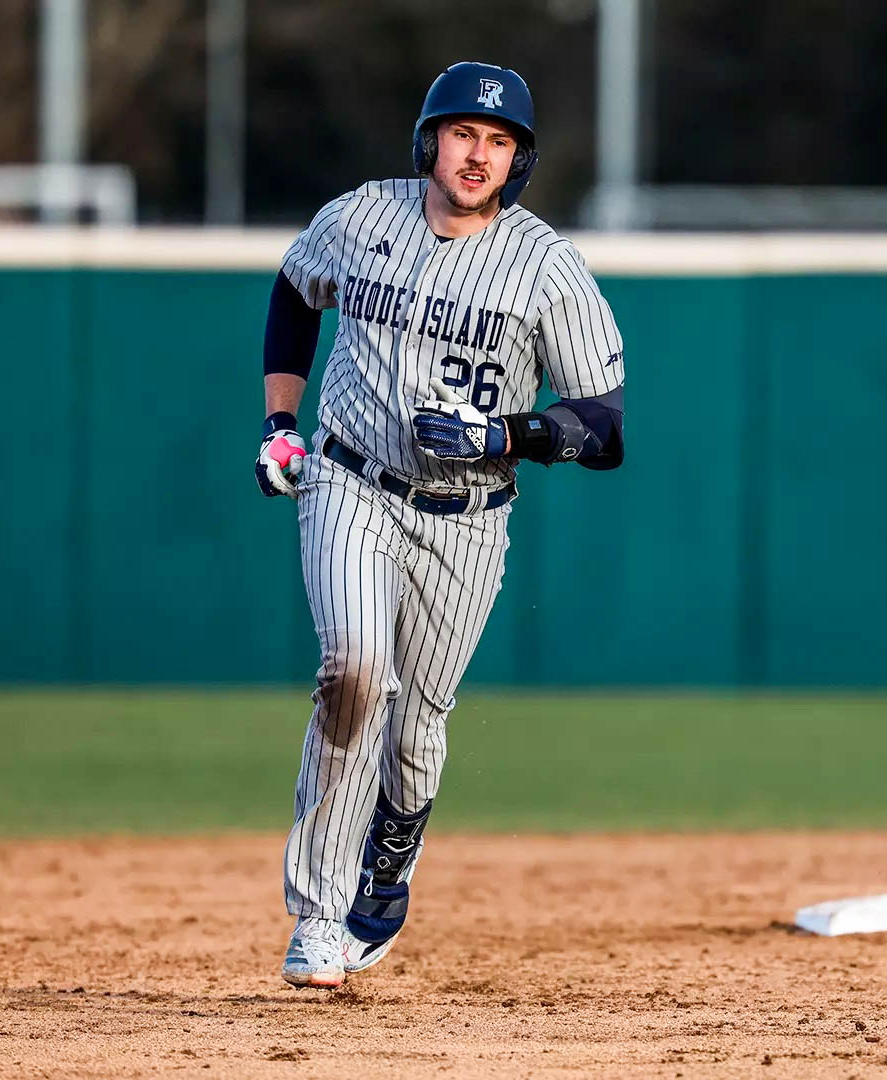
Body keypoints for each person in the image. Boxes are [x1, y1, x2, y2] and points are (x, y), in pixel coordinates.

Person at [254, 61, 625, 989]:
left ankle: (395, 844)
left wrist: (506, 433)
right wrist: (277, 424)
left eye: (500, 143)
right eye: (465, 134)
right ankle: (318, 914)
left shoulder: (545, 267)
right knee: (353, 674)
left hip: (466, 517)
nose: (479, 155)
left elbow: (605, 429)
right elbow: (296, 293)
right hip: (350, 479)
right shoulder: (360, 216)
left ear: (519, 162)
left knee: (415, 730)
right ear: (432, 139)